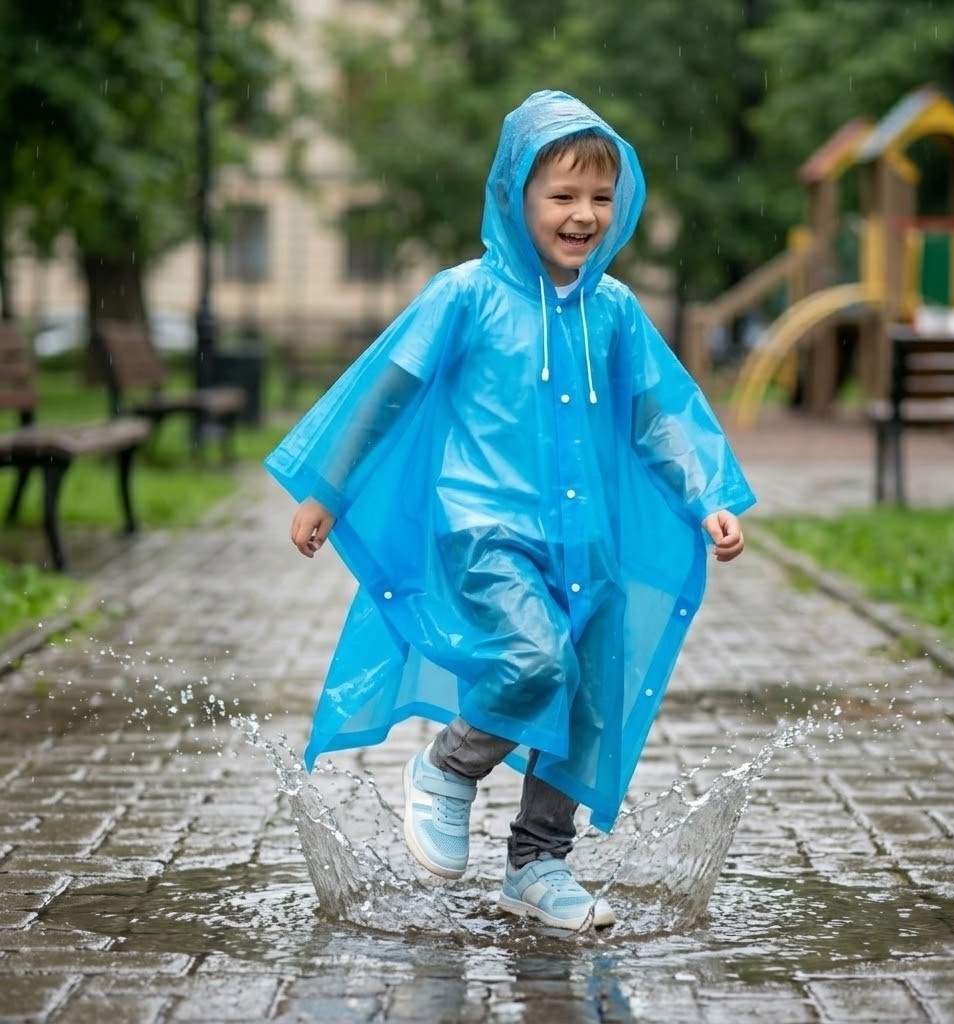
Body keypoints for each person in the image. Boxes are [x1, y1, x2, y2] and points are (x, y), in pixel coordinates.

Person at [266, 89, 755, 931]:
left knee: (588, 698)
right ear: (515, 196)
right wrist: (328, 489)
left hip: (588, 545)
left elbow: (661, 414)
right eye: (562, 195)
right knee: (532, 658)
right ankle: (450, 767)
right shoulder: (466, 295)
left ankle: (538, 866)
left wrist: (707, 493)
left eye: (601, 197)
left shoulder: (616, 312)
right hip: (484, 527)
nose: (584, 215)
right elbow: (387, 391)